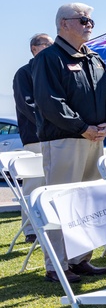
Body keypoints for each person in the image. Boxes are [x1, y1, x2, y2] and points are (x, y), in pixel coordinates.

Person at [32, 3, 106, 282]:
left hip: (94, 138)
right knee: (60, 204)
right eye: (83, 20)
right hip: (64, 141)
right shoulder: (49, 58)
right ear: (63, 24)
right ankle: (57, 265)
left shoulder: (93, 58)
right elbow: (50, 103)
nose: (89, 25)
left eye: (91, 20)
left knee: (88, 204)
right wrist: (82, 128)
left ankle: (80, 259)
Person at [11, 32, 52, 242]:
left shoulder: (53, 71)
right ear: (35, 48)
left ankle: (49, 225)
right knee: (33, 184)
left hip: (56, 137)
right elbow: (27, 104)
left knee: (51, 184)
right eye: (48, 44)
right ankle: (30, 231)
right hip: (35, 137)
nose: (52, 47)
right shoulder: (24, 73)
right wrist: (52, 124)